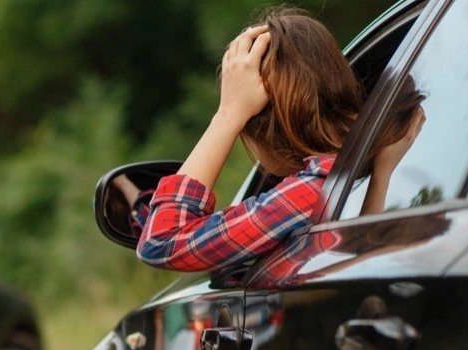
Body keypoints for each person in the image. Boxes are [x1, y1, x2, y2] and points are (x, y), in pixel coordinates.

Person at [132, 8, 425, 272]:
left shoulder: (310, 192)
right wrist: (382, 174)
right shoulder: (345, 178)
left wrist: (228, 115)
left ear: (261, 132)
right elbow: (359, 261)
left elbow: (161, 242)